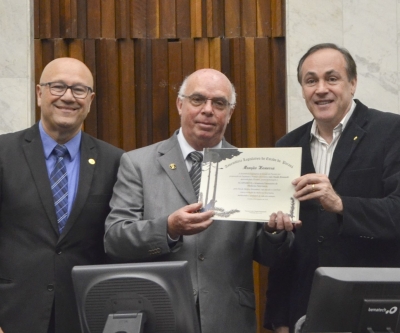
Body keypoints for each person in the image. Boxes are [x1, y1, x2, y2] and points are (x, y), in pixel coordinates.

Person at [104, 68, 294, 333]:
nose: (208, 110)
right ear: (180, 104)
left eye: (219, 103)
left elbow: (270, 256)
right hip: (159, 316)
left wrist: (274, 232)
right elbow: (115, 239)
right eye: (198, 99)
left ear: (230, 113)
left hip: (228, 318)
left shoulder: (250, 168)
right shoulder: (137, 164)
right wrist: (168, 229)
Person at [263, 43, 400, 332]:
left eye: (332, 78)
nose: (321, 89)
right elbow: (287, 252)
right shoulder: (286, 147)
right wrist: (278, 318)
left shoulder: (391, 131)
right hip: (306, 310)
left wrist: (340, 204)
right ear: (302, 89)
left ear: (353, 83)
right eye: (311, 80)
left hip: (376, 306)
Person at [0, 58, 124, 333]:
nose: (68, 97)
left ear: (90, 100)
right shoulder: (3, 153)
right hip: (13, 315)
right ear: (39, 93)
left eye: (79, 90)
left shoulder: (115, 161)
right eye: (58, 86)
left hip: (87, 317)